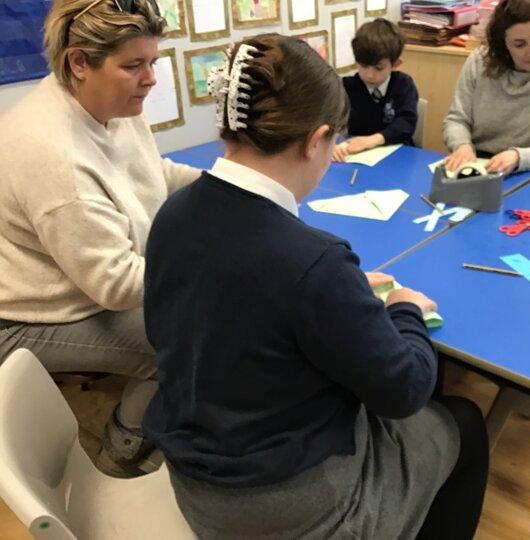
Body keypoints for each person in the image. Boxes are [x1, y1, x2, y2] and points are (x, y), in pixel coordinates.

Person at [142, 35, 489, 540]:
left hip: (195, 480)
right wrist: (405, 308)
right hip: (287, 507)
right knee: (464, 422)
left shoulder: (173, 213)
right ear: (316, 139)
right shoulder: (313, 261)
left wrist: (338, 294)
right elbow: (406, 391)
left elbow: (215, 306)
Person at [0, 0, 200, 477]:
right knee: (181, 342)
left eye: (152, 61)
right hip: (27, 314)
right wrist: (210, 265)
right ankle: (119, 453)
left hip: (84, 281)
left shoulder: (112, 103)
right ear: (79, 62)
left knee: (194, 312)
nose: (150, 78)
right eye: (134, 65)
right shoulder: (53, 154)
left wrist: (228, 187)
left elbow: (152, 173)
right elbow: (116, 284)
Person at [443, 0, 530, 174]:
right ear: (503, 44)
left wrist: (518, 157)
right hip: (477, 163)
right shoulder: (478, 62)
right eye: (519, 44)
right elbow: (457, 120)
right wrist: (462, 146)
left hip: (527, 170)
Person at [332, 18, 419, 162]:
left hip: (398, 155)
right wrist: (330, 144)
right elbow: (328, 119)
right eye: (363, 66)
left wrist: (373, 140)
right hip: (355, 156)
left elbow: (406, 124)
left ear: (396, 64)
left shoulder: (403, 85)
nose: (370, 75)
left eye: (378, 68)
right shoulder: (347, 87)